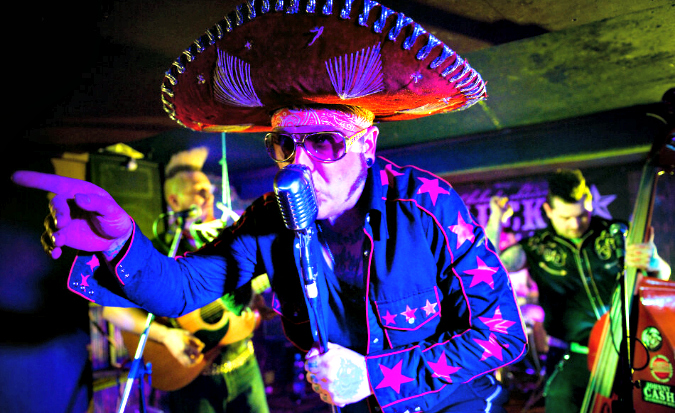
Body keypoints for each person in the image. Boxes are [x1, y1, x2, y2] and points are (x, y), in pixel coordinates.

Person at [12, 3, 528, 412]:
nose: (299, 164)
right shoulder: (269, 218)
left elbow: (502, 335)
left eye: (325, 142)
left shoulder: (427, 206)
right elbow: (183, 288)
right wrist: (119, 241)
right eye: (285, 144)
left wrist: (375, 376)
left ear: (368, 144)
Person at [486, 169, 671, 413]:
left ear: (590, 202)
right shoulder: (536, 246)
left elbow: (661, 276)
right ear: (549, 210)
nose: (575, 224)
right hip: (572, 355)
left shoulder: (617, 233)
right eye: (565, 217)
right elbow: (488, 267)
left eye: (582, 215)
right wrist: (496, 219)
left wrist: (654, 262)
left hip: (626, 352)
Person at [101, 147, 270, 413]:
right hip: (190, 378)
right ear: (174, 200)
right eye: (198, 191)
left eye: (209, 190)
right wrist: (167, 335)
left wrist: (253, 301)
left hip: (244, 365)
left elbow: (247, 292)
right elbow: (112, 311)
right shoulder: (157, 252)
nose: (208, 196)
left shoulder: (230, 240)